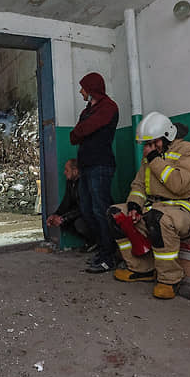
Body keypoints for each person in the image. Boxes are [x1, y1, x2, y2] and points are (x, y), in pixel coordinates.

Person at [107, 112, 190, 299]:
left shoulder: (189, 151)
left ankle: (170, 279)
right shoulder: (151, 155)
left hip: (189, 209)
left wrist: (154, 160)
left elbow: (179, 185)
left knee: (158, 218)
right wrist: (134, 207)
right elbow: (139, 186)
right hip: (155, 208)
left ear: (166, 136)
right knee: (116, 214)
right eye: (146, 144)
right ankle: (142, 269)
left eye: (153, 142)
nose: (148, 148)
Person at [69, 72, 119, 273]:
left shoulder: (108, 107)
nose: (80, 91)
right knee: (88, 210)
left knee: (101, 210)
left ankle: (109, 256)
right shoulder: (88, 110)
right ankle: (103, 250)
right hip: (87, 166)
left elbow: (81, 131)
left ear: (91, 89)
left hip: (100, 166)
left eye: (83, 87)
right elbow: (74, 136)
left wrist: (80, 130)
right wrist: (80, 131)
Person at [45, 158, 95, 251]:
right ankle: (90, 241)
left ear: (75, 171)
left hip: (90, 214)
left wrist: (63, 218)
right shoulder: (70, 182)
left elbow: (85, 207)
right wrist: (56, 215)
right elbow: (66, 201)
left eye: (67, 170)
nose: (64, 172)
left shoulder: (84, 183)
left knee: (78, 224)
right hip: (79, 212)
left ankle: (96, 241)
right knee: (63, 223)